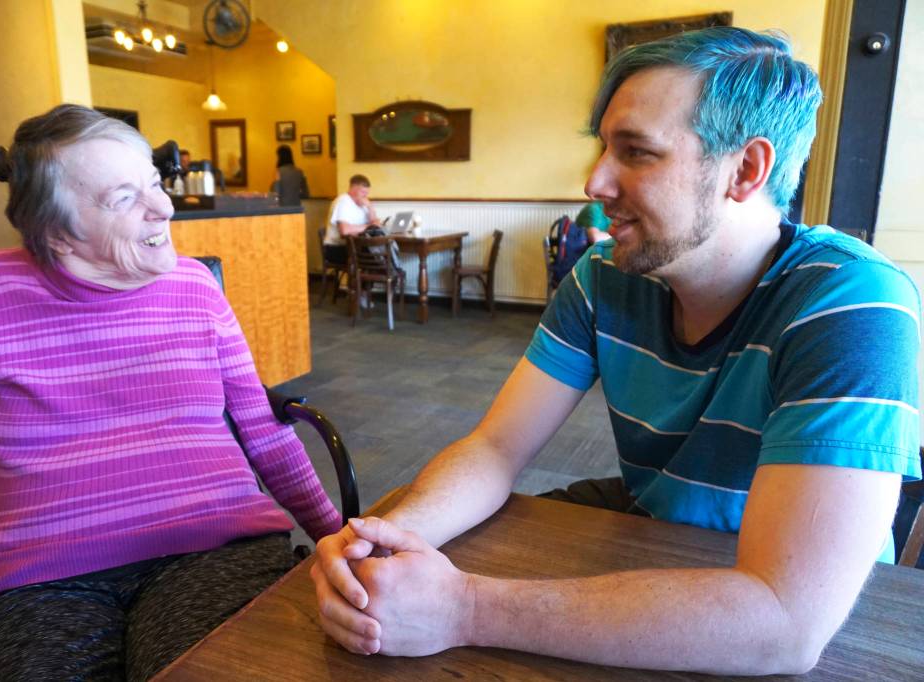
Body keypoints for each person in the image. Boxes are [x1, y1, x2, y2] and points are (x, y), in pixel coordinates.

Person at [311, 27, 920, 675]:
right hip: (652, 540)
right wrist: (386, 546)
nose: (593, 181)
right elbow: (495, 448)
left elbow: (786, 624)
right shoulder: (604, 277)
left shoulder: (852, 302)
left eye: (636, 151)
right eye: (603, 147)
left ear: (744, 170)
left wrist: (464, 608)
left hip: (818, 623)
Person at [0, 104, 341, 681]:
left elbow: (264, 431)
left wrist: (338, 538)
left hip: (215, 547)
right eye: (124, 197)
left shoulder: (196, 288)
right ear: (57, 234)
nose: (164, 208)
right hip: (39, 576)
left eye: (155, 182)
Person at [323, 174, 379, 265]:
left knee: (381, 254)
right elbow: (345, 230)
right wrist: (369, 226)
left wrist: (370, 207)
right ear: (353, 189)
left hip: (355, 246)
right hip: (336, 249)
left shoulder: (362, 203)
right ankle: (385, 272)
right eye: (363, 192)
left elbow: (376, 224)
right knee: (377, 257)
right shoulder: (343, 201)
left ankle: (387, 272)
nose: (365, 196)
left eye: (367, 193)